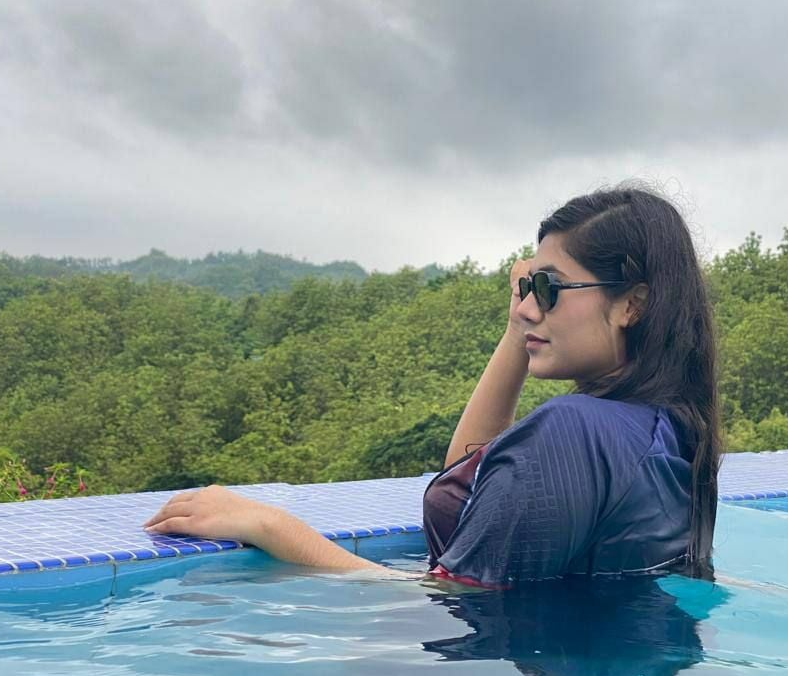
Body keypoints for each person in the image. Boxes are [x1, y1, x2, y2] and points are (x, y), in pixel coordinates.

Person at [144, 180, 722, 588]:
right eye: (527, 288)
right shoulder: (668, 430)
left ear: (631, 305)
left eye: (549, 288)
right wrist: (517, 327)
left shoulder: (575, 431)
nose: (529, 305)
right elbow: (473, 477)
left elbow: (449, 603)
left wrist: (272, 526)